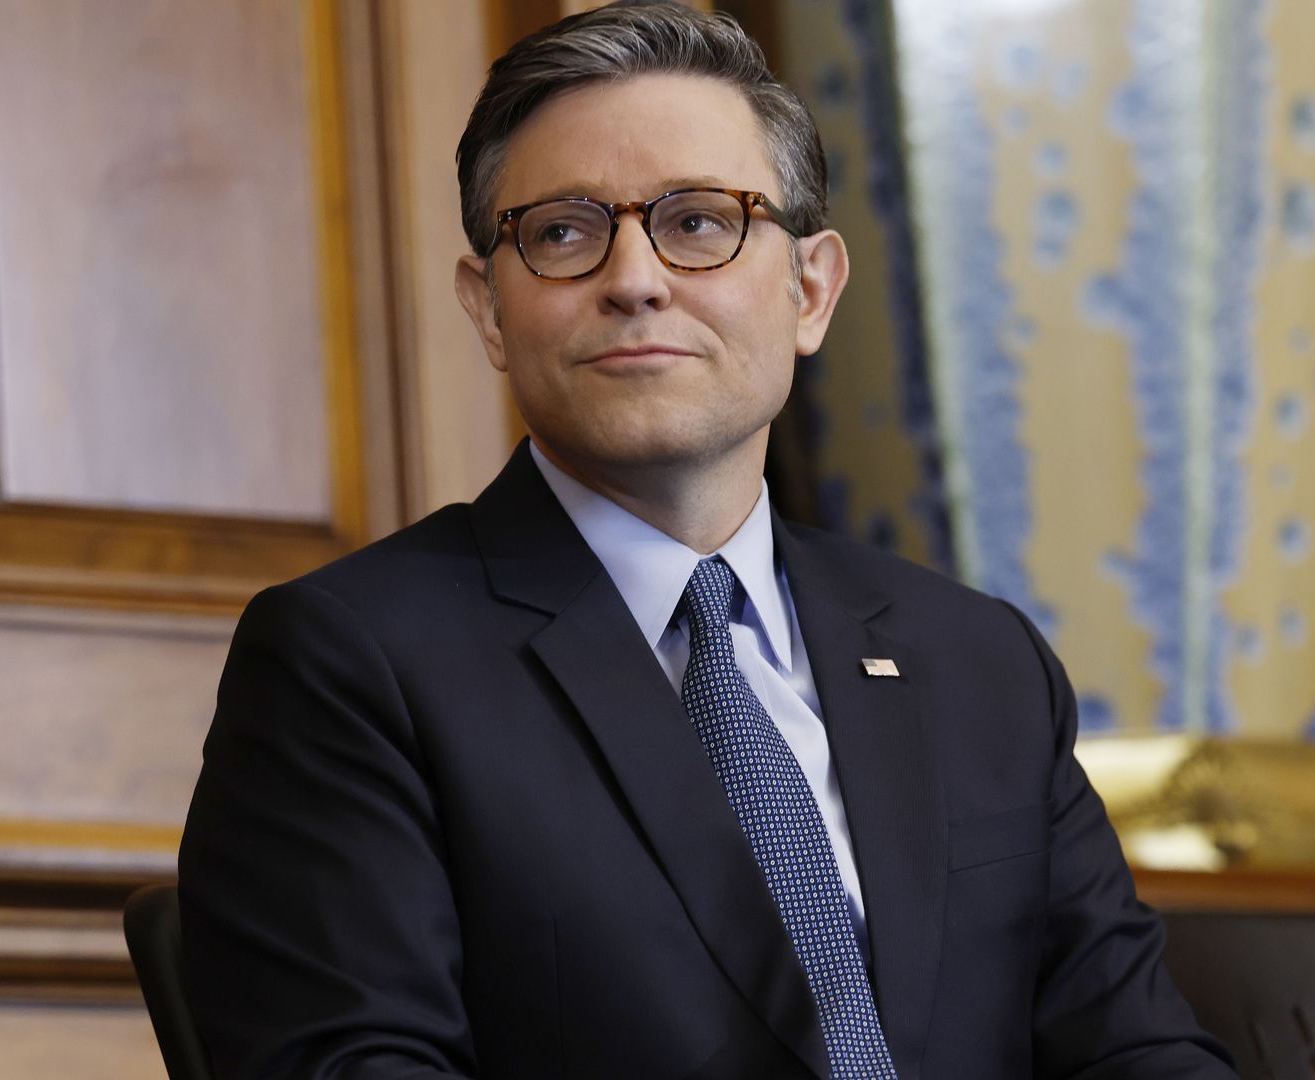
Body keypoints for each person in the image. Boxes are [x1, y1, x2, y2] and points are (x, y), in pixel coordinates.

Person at [177, 2, 1235, 1077]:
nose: (634, 279)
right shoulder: (352, 666)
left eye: (698, 222)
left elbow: (1139, 1055)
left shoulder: (981, 663)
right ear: (489, 309)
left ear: (811, 291)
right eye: (563, 232)